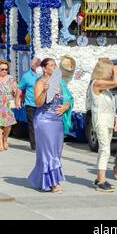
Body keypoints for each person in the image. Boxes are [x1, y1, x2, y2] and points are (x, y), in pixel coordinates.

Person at [28, 58, 74, 193]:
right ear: (44, 68)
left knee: (56, 151)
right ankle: (54, 182)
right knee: (48, 152)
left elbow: (68, 99)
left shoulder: (59, 82)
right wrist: (44, 91)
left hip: (57, 121)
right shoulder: (40, 82)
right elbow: (37, 103)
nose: (55, 67)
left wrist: (66, 106)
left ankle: (46, 179)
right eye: (51, 65)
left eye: (55, 65)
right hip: (44, 120)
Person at [89, 58, 117, 192]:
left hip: (107, 120)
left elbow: (110, 106)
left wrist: (115, 118)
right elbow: (116, 82)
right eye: (109, 71)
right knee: (105, 150)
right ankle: (101, 180)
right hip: (100, 120)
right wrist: (115, 71)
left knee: (104, 150)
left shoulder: (105, 89)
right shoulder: (96, 83)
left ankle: (99, 178)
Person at [15, 58, 42, 150]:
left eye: (39, 64)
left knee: (42, 124)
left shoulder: (44, 75)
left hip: (43, 104)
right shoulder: (26, 76)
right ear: (32, 65)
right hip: (31, 104)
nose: (37, 65)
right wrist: (17, 101)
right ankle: (35, 146)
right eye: (35, 64)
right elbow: (20, 88)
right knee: (32, 125)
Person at [0, 59, 17, 151]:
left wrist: (17, 96)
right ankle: (0, 143)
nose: (4, 71)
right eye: (2, 69)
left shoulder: (10, 78)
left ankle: (5, 139)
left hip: (7, 103)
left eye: (6, 69)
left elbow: (16, 89)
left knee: (8, 124)